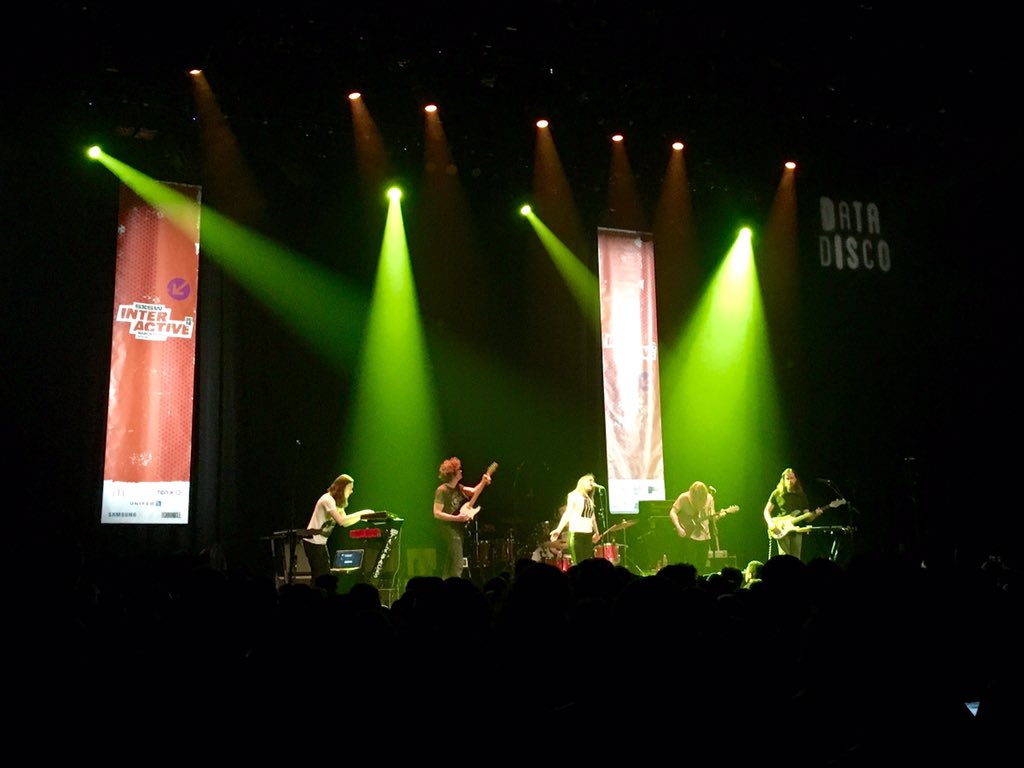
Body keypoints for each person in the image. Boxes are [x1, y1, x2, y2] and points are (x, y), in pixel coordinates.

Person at [302, 473, 374, 587]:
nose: (351, 491)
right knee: (321, 576)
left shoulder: (336, 502)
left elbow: (345, 522)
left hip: (319, 543)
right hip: (313, 542)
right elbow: (341, 521)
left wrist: (362, 517)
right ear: (343, 487)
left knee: (323, 576)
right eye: (350, 488)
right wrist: (362, 513)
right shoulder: (328, 499)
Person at [433, 457, 492, 579]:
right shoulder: (442, 490)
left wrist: (483, 481)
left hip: (457, 529)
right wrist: (457, 518)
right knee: (458, 564)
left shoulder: (458, 487)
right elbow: (437, 513)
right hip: (448, 529)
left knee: (450, 564)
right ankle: (454, 587)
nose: (461, 471)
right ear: (453, 473)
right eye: (459, 469)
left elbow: (474, 491)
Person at [763, 467, 816, 560]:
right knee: (784, 557)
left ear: (796, 479)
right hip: (781, 528)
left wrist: (816, 513)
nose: (789, 481)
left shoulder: (801, 495)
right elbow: (766, 511)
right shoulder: (777, 493)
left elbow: (807, 516)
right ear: (783, 480)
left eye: (792, 478)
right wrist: (771, 524)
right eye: (787, 478)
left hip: (797, 529)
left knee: (796, 558)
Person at [550, 473, 601, 566]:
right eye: (590, 480)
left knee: (587, 564)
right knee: (579, 564)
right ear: (582, 482)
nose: (592, 482)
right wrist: (558, 530)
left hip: (588, 535)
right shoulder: (574, 495)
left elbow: (592, 518)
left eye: (593, 481)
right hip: (577, 533)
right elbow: (567, 513)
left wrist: (597, 532)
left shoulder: (589, 499)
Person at [668, 480, 716, 570]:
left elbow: (712, 515)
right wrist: (678, 527)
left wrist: (719, 515)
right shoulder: (684, 497)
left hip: (704, 534)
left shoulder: (709, 498)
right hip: (689, 534)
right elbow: (673, 512)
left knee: (702, 563)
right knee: (691, 563)